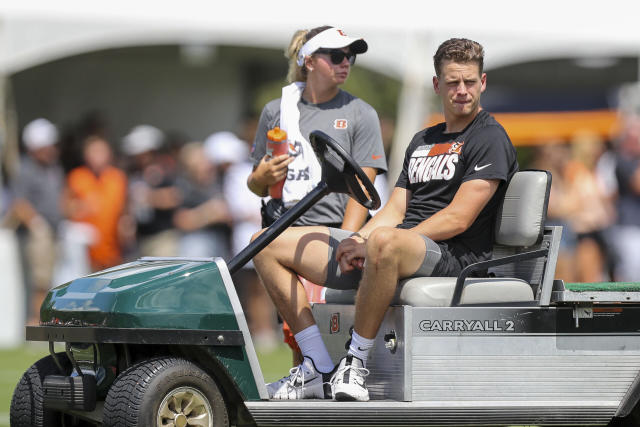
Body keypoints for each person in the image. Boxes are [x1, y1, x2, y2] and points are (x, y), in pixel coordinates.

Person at [253, 38, 518, 401]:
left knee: (384, 242)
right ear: (437, 85)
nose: (462, 91)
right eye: (453, 82)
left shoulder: (489, 137)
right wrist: (358, 238)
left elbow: (458, 218)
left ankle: (355, 363)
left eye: (469, 82)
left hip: (454, 257)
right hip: (395, 250)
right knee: (265, 243)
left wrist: (385, 241)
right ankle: (316, 362)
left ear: (482, 83)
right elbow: (394, 209)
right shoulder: (423, 138)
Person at [247, 25, 388, 364]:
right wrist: (261, 176)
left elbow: (362, 189)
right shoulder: (276, 110)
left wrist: (349, 240)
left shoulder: (361, 113)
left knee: (263, 247)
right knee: (295, 331)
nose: (346, 63)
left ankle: (317, 366)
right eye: (337, 56)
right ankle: (310, 374)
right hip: (284, 224)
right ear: (309, 61)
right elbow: (257, 186)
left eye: (350, 57)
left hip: (332, 229)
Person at [4, 118, 64, 324]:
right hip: (38, 235)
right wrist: (37, 223)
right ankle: (36, 324)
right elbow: (19, 203)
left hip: (55, 232)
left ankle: (45, 322)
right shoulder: (25, 169)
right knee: (40, 281)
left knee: (50, 281)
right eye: (48, 145)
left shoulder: (54, 168)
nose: (52, 149)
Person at [62, 135, 128, 271]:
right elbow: (65, 209)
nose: (98, 156)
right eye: (93, 151)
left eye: (101, 151)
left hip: (113, 250)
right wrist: (83, 207)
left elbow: (125, 209)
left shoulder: (117, 178)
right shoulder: (77, 177)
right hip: (86, 253)